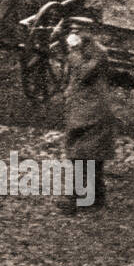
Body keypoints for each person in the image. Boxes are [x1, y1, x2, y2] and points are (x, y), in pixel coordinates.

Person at [56, 32, 113, 213]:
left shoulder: (97, 54)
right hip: (84, 112)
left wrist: (73, 51)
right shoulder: (88, 52)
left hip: (93, 114)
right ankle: (95, 197)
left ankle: (77, 198)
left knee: (83, 155)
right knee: (87, 156)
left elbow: (83, 72)